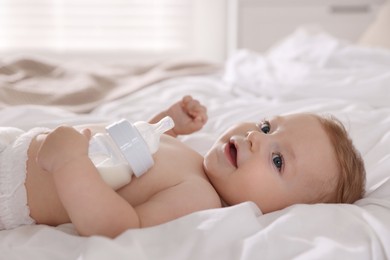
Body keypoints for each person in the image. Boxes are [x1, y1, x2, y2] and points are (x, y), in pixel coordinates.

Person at [0, 96, 366, 237]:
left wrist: (69, 162)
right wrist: (166, 123)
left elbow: (116, 225)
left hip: (12, 188)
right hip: (14, 144)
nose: (256, 137)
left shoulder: (198, 200)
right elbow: (130, 156)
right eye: (267, 126)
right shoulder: (198, 163)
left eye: (277, 160)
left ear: (280, 210)